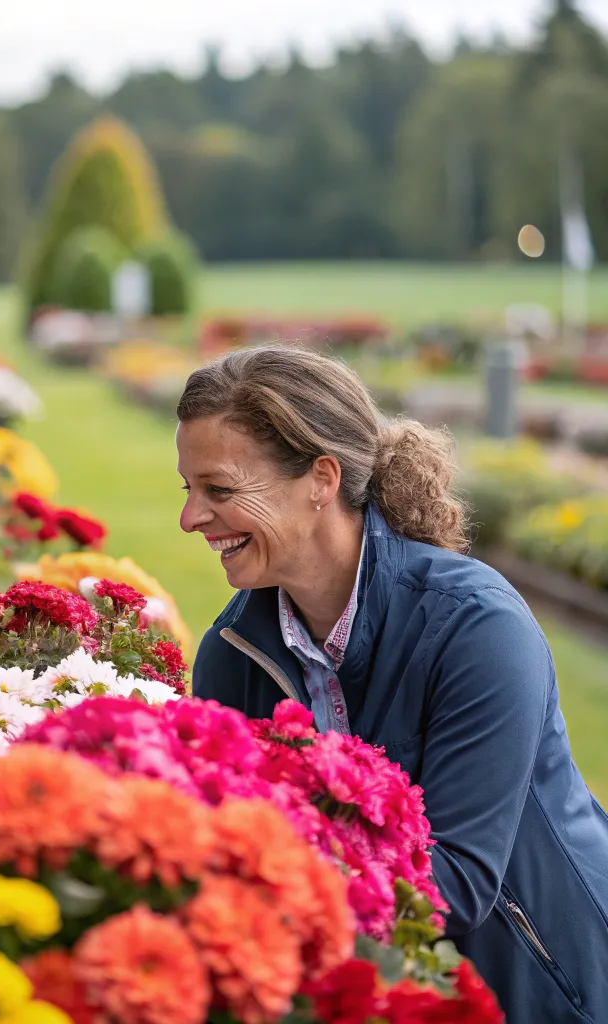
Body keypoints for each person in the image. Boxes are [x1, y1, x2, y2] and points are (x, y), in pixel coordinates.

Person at [176, 346, 608, 1024]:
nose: (191, 518)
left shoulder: (474, 627)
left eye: (220, 491)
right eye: (188, 490)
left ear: (321, 479)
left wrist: (262, 876)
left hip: (545, 990)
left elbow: (457, 883)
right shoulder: (232, 654)